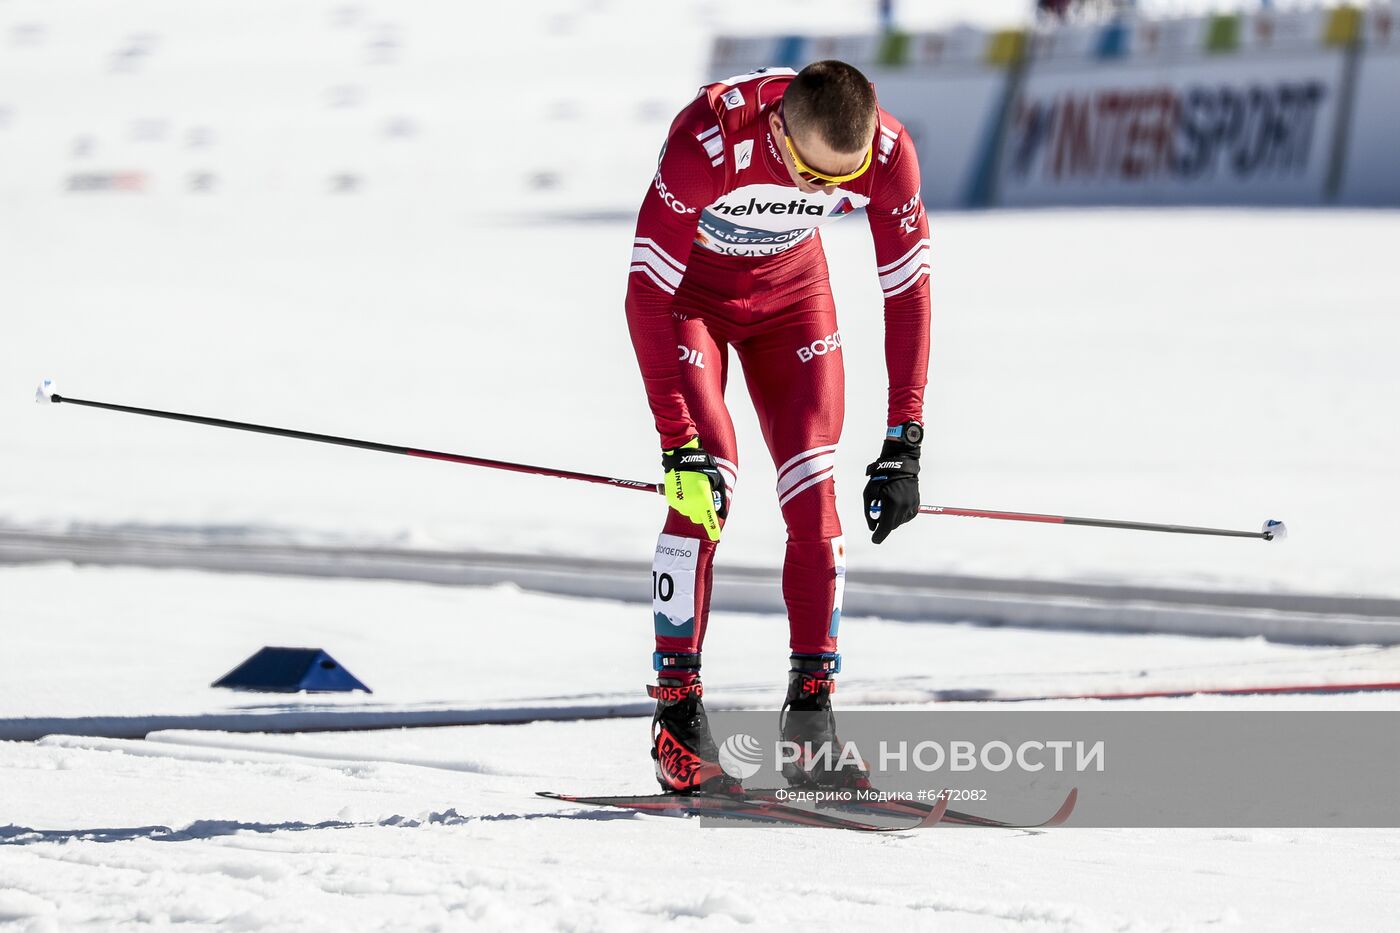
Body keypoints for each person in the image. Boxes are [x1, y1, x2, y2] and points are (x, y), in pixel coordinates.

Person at [625, 60, 930, 794]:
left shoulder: (887, 153)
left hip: (793, 297)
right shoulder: (709, 141)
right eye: (808, 176)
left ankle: (810, 723)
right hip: (690, 299)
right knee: (710, 479)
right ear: (776, 130)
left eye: (838, 184)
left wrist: (904, 438)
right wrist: (677, 442)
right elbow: (644, 293)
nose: (822, 194)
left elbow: (909, 289)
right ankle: (677, 715)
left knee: (815, 494)